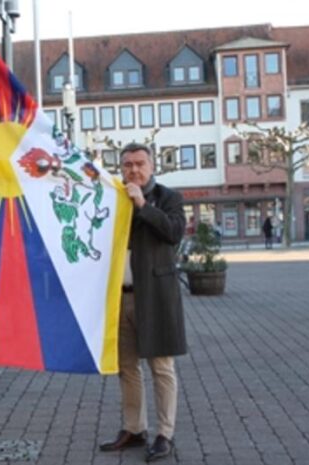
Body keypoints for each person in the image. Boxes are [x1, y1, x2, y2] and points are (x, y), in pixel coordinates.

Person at [99, 143, 187, 462]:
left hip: (156, 297)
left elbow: (175, 232)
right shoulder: (111, 197)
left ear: (151, 166)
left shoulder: (168, 198)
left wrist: (143, 205)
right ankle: (134, 429)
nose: (133, 170)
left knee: (161, 368)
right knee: (127, 368)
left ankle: (165, 433)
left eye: (139, 163)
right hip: (120, 299)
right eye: (127, 165)